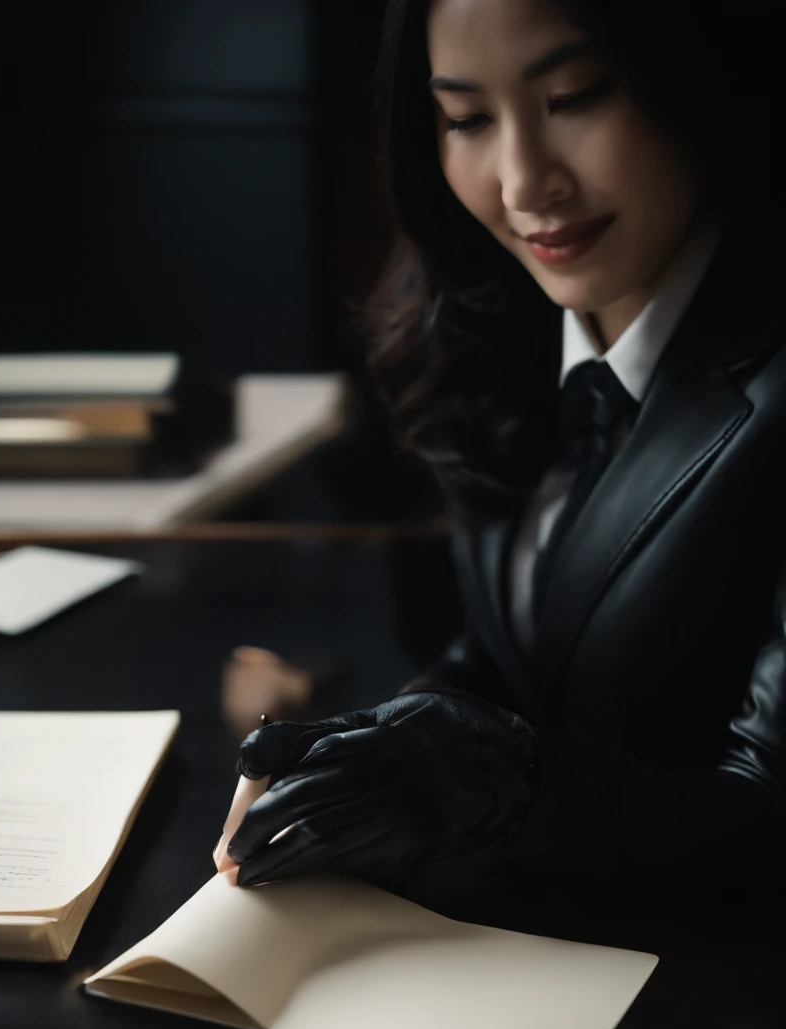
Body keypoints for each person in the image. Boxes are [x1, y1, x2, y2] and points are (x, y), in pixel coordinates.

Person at [218, 0, 786, 894]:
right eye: (467, 119)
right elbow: (528, 651)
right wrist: (388, 742)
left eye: (576, 95)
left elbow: (769, 812)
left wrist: (486, 782)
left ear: (702, 77)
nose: (523, 184)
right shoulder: (501, 325)